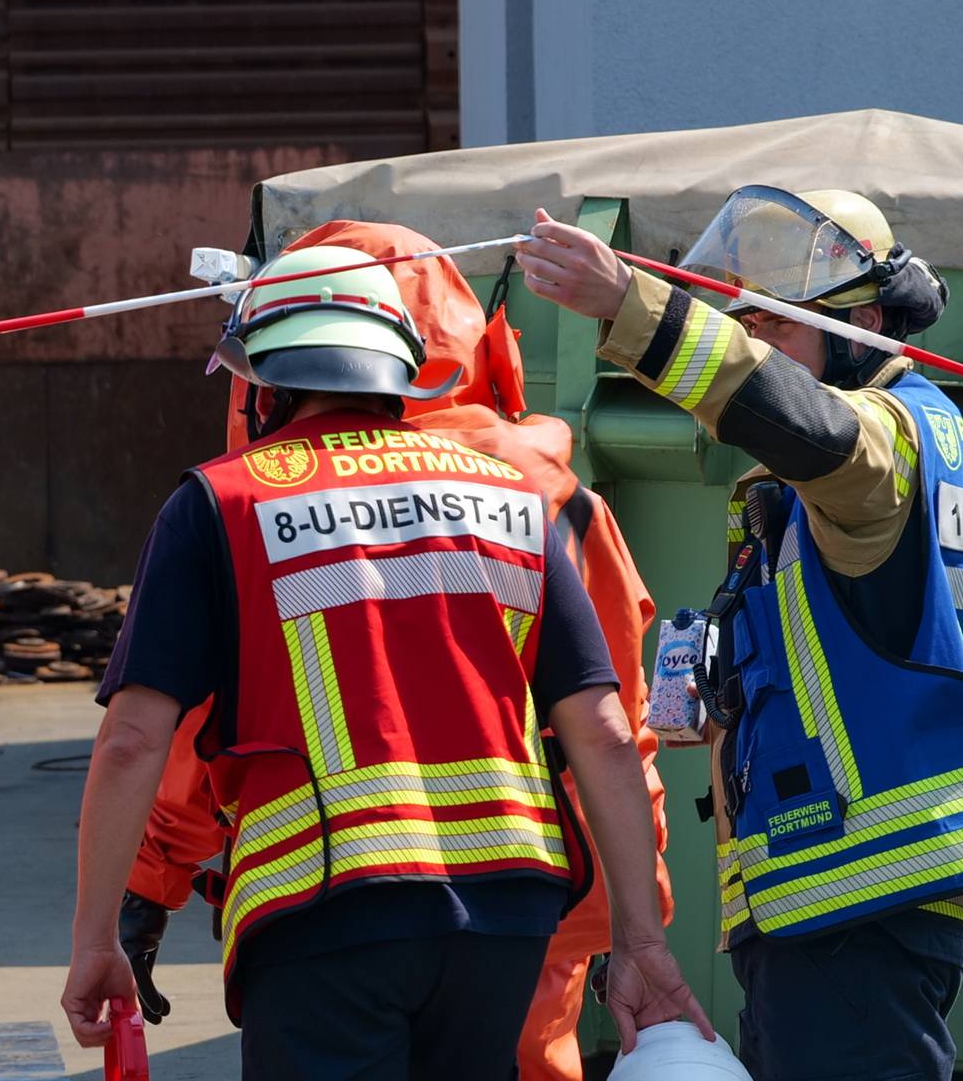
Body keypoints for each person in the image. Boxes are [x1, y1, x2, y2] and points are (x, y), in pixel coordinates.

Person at [61, 243, 708, 1079]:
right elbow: (608, 733)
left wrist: (95, 938)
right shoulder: (513, 499)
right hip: (505, 920)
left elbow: (134, 742)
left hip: (323, 914)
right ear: (401, 372)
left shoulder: (222, 501)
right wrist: (640, 941)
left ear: (262, 382)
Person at [519, 188, 963, 1081]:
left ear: (863, 324)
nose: (758, 351)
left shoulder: (883, 444)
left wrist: (630, 308)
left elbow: (806, 420)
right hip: (826, 908)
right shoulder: (819, 493)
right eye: (743, 329)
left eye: (774, 333)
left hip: (861, 907)